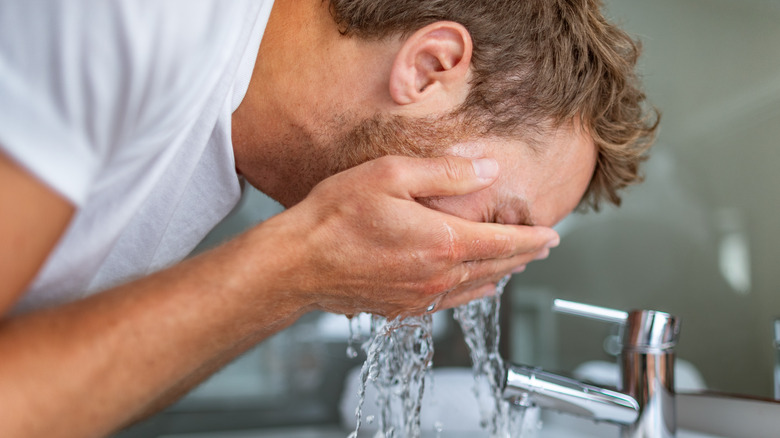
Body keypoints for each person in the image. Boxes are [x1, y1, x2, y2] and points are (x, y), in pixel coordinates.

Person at [0, 0, 657, 436]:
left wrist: (312, 273)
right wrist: (296, 264)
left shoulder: (222, 148)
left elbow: (77, 395)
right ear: (429, 68)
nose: (478, 260)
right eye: (497, 222)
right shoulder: (144, 17)